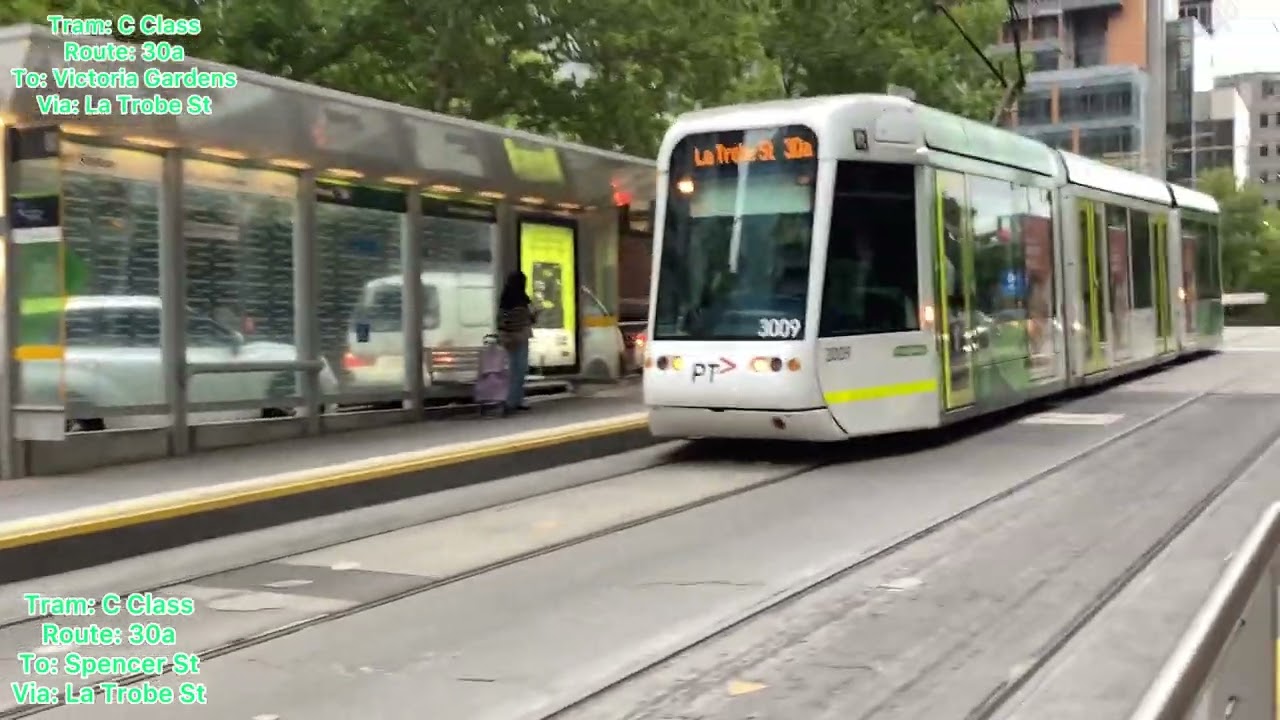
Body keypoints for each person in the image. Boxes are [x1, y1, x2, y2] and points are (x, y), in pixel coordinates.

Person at [497, 270, 535, 413]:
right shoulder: (523, 299)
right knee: (520, 370)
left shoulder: (505, 298)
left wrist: (504, 334)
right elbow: (529, 319)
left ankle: (515, 399)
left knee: (513, 370)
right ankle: (513, 401)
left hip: (508, 339)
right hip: (521, 337)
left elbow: (501, 320)